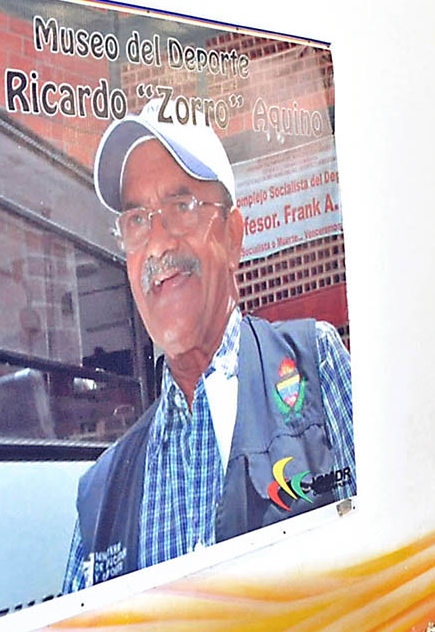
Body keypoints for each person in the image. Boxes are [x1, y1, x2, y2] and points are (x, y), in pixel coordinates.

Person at [61, 98, 355, 592]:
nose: (157, 246)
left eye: (181, 207)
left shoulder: (314, 366)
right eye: (137, 221)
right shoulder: (100, 495)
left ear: (235, 237)